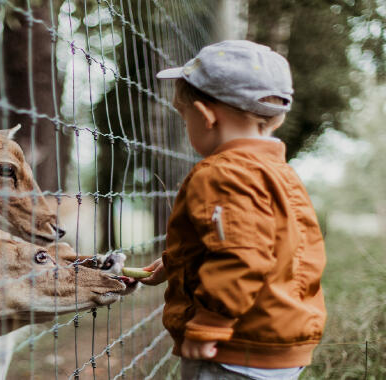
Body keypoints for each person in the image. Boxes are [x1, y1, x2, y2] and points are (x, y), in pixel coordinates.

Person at [140, 40, 327, 380]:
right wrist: (174, 263)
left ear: (205, 116)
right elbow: (268, 244)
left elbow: (242, 254)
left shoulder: (222, 174)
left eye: (184, 117)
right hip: (278, 338)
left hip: (231, 348)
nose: (186, 126)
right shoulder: (279, 173)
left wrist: (212, 322)